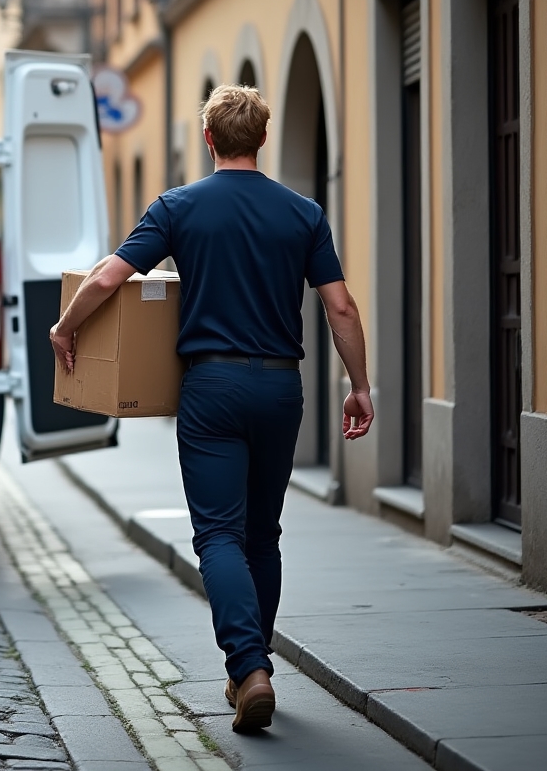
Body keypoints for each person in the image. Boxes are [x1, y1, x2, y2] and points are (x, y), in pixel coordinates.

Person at [50, 85, 373, 733]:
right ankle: (250, 670)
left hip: (211, 388)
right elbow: (340, 306)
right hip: (280, 388)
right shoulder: (303, 213)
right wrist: (359, 384)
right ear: (262, 139)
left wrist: (66, 327)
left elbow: (110, 277)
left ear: (209, 140)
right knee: (263, 534)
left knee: (219, 535)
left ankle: (249, 668)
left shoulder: (179, 206)